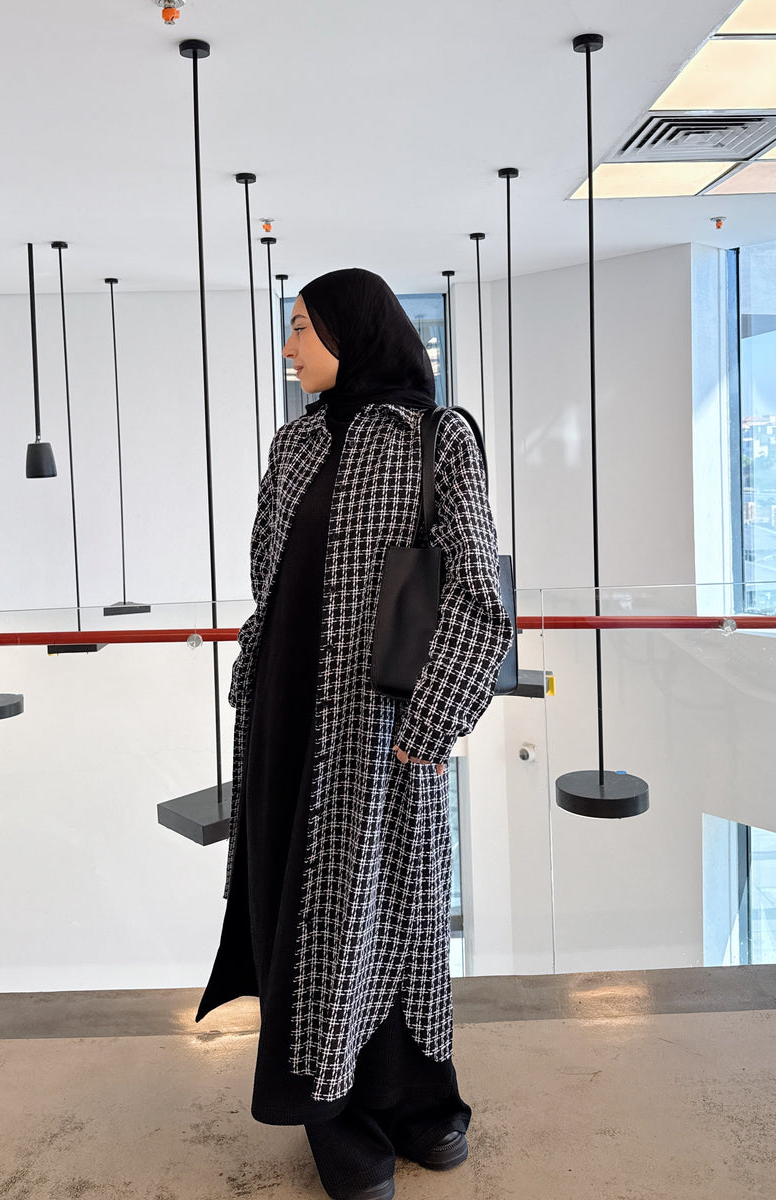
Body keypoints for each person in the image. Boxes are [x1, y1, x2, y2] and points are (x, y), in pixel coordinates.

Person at [197, 268, 513, 1200]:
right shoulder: (293, 443)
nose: (289, 346)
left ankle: (415, 1098)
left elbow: (479, 599)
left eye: (303, 328)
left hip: (383, 731)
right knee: (310, 917)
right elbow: (268, 578)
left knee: (395, 912)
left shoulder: (437, 437)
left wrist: (430, 728)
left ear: (353, 330)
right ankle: (331, 1115)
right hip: (283, 721)